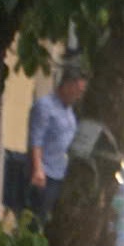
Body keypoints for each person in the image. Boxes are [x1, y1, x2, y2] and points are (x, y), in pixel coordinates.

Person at [27, 65, 88, 223]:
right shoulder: (45, 106)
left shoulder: (69, 111)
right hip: (45, 173)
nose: (79, 95)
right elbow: (36, 139)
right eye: (77, 90)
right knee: (37, 219)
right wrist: (38, 168)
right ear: (67, 85)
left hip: (60, 173)